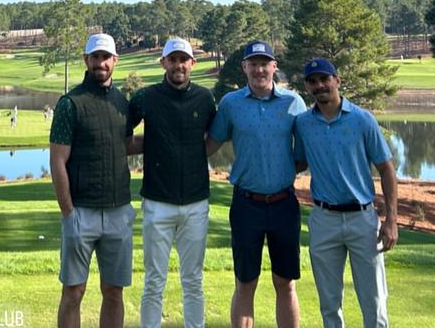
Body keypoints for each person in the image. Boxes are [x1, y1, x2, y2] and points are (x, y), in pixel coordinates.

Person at [206, 40, 307, 328]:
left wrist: (280, 171)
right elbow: (212, 144)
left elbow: (302, 154)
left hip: (284, 204)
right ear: (244, 68)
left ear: (274, 67)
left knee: (285, 282)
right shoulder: (230, 104)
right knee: (245, 282)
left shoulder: (294, 103)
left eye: (265, 63)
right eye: (253, 64)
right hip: (246, 204)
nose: (259, 69)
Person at [294, 58, 398, 328]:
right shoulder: (303, 123)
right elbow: (299, 162)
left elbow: (386, 169)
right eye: (313, 81)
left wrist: (391, 220)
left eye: (324, 79)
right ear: (307, 86)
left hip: (363, 220)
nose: (320, 85)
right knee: (329, 303)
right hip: (323, 219)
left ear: (337, 81)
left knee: (373, 301)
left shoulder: (363, 120)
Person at [49, 33, 137, 328]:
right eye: (95, 57)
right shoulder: (70, 103)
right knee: (74, 292)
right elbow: (57, 160)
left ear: (115, 61)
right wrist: (67, 212)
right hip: (81, 213)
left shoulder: (122, 104)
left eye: (106, 57)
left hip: (118, 212)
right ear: (86, 60)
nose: (101, 62)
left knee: (113, 292)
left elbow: (123, 145)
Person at [129, 37, 216, 328]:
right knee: (154, 280)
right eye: (173, 59)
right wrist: (151, 145)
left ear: (193, 63)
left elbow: (213, 139)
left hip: (196, 202)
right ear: (163, 62)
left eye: (184, 59)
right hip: (156, 203)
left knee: (193, 279)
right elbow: (123, 137)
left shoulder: (205, 99)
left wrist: (191, 153)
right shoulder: (146, 97)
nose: (178, 65)